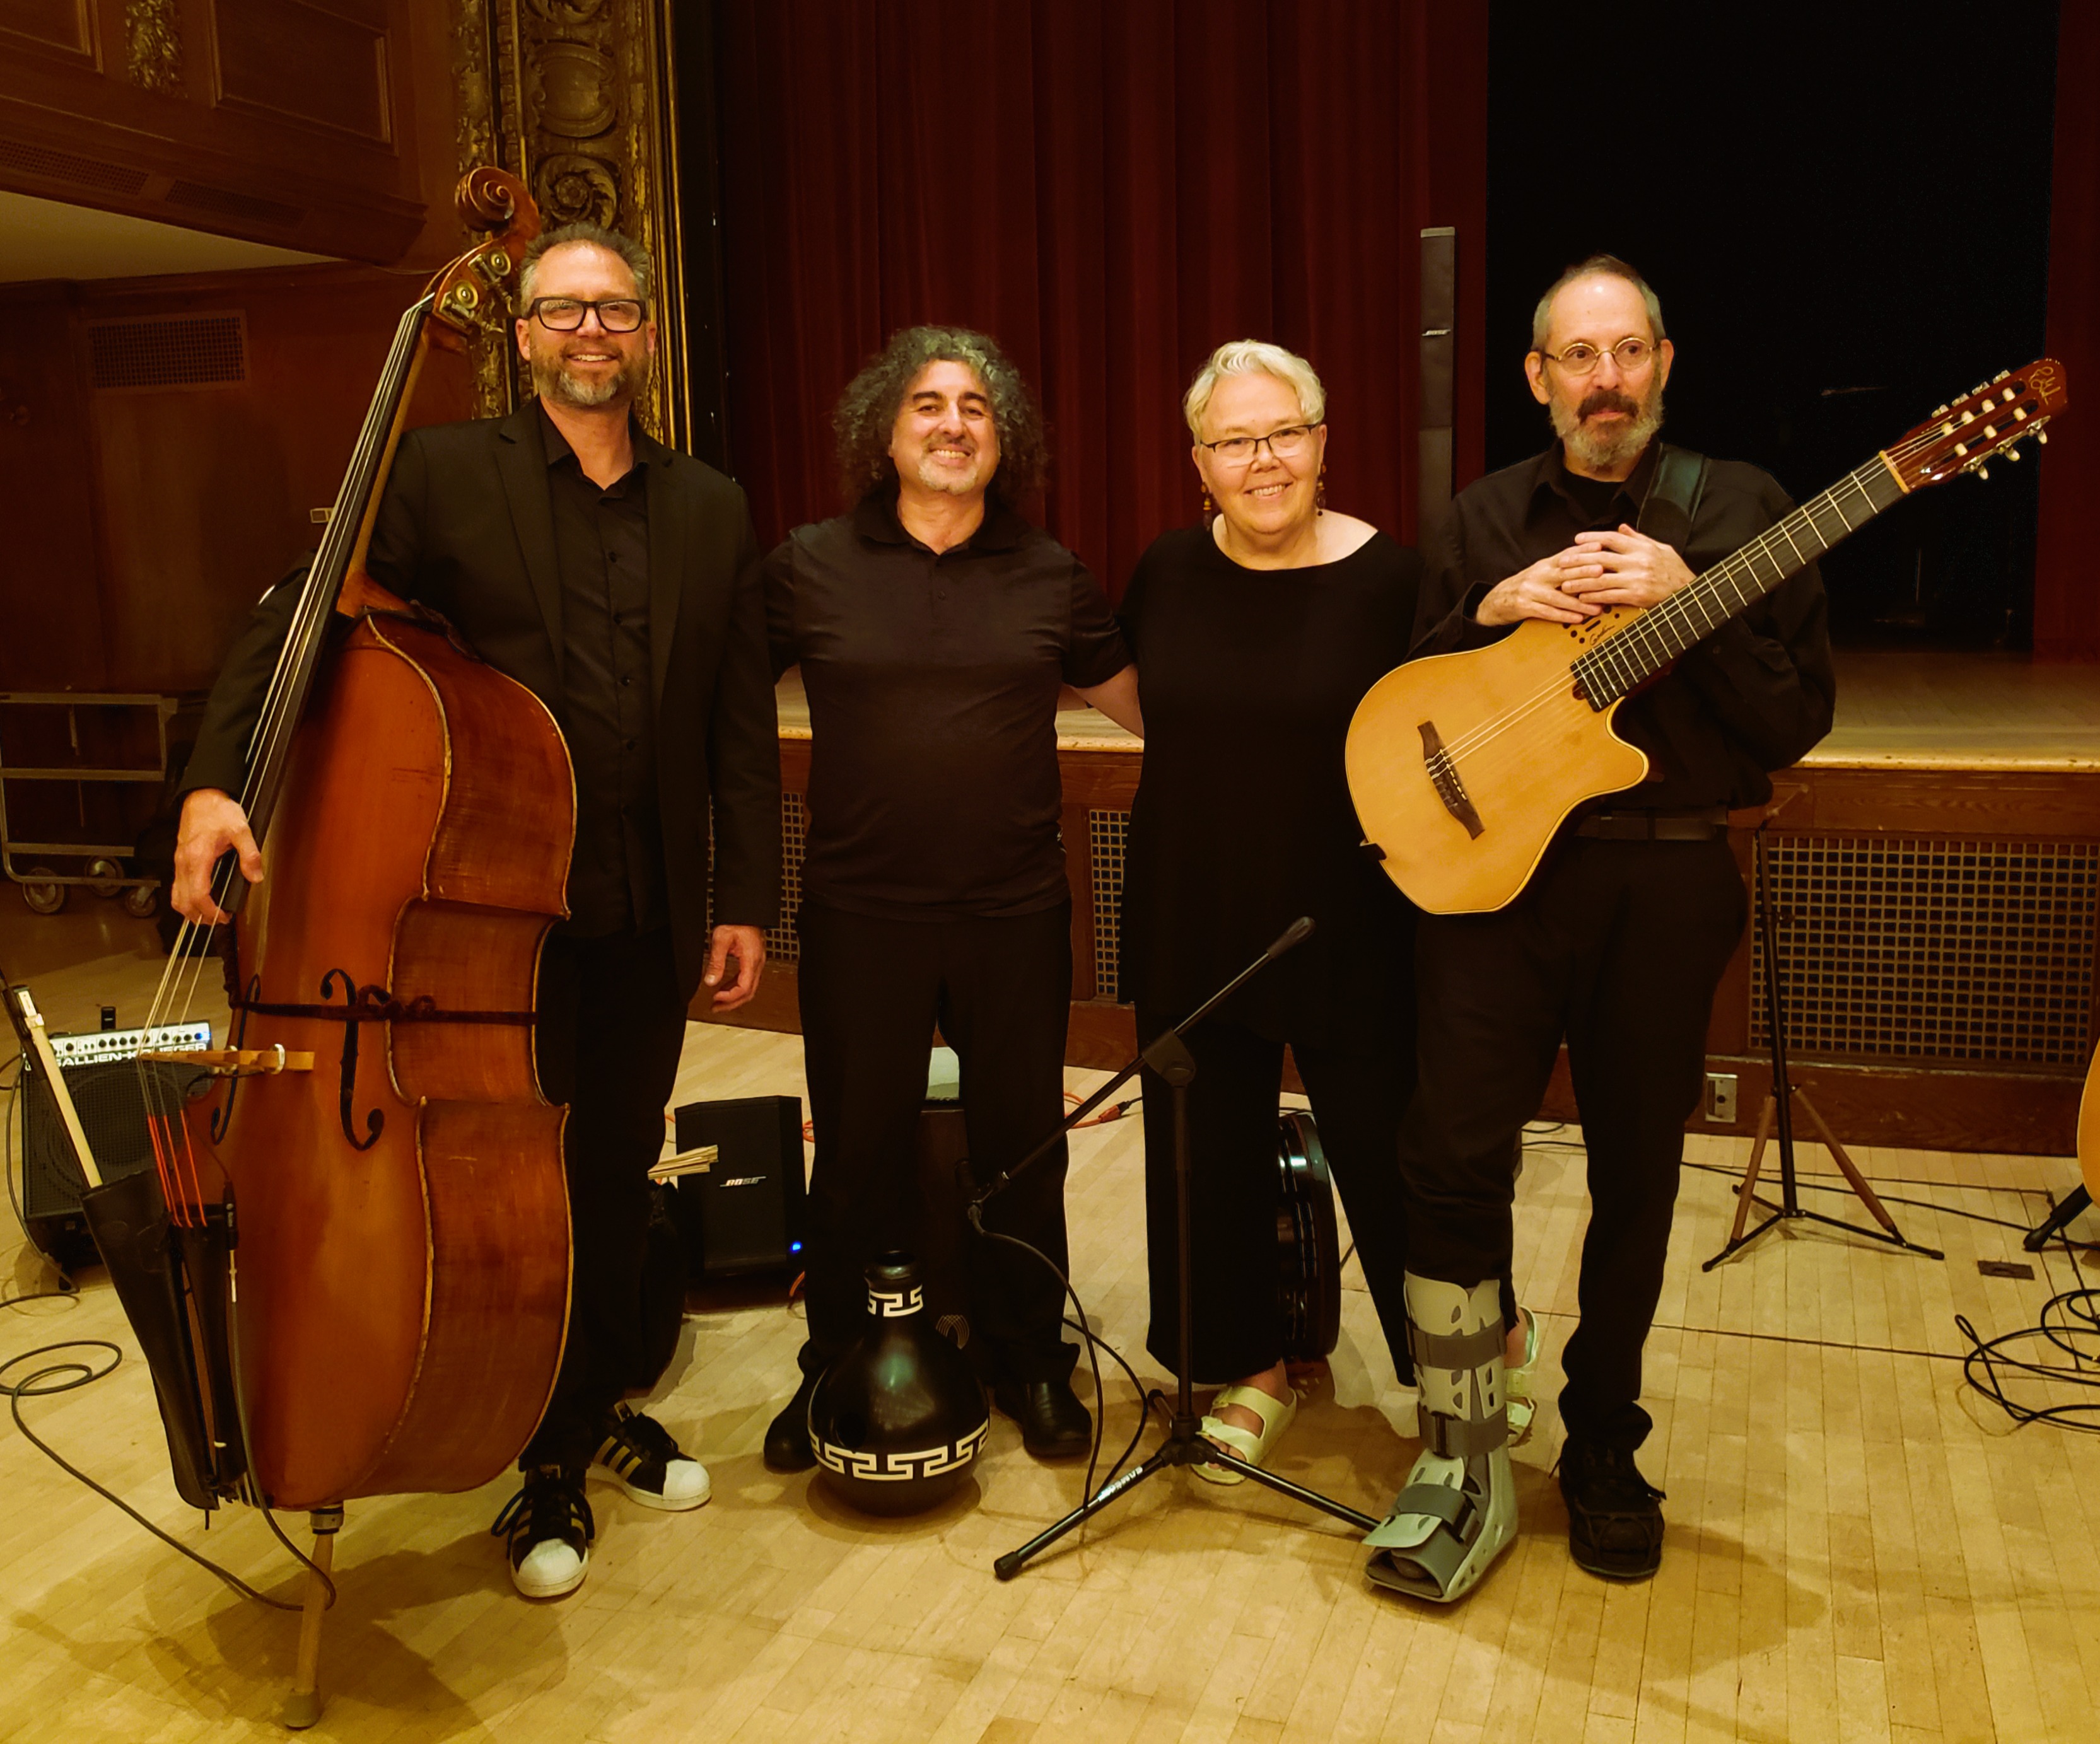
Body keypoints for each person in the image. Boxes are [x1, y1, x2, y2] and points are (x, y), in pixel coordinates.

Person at [170, 222, 781, 1601]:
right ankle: (539, 1451)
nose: (588, 330)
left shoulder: (710, 505)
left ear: (645, 332)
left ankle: (598, 1401)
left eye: (612, 309)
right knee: (509, 1194)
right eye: (561, 309)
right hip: (490, 925)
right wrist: (219, 781)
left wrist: (744, 896)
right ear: (522, 335)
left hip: (646, 910)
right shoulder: (444, 473)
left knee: (612, 1170)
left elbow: (736, 722)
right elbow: (307, 613)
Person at [1365, 255, 1834, 1601]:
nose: (1606, 380)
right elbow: (1411, 687)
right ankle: (1460, 1445)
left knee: (1638, 1171)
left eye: (1628, 351)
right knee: (1449, 1158)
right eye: (1578, 356)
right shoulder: (1483, 516)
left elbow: (1792, 720)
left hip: (1666, 886)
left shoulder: (1740, 510)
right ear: (1539, 377)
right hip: (1495, 889)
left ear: (1664, 363)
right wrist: (1486, 610)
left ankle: (1603, 1443)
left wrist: (1693, 600)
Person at [1119, 339, 1539, 1484]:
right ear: (1198, 463)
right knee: (1203, 1154)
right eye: (1232, 441)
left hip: (1357, 915)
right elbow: (1154, 706)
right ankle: (1246, 1366)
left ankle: (1466, 1354)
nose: (1261, 461)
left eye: (1282, 434)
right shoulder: (1165, 568)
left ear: (1321, 443)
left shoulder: (1396, 579)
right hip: (1196, 906)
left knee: (1395, 1152)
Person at [761, 325, 1141, 1470]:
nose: (952, 422)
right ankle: (839, 1356)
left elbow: (1149, 708)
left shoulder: (1048, 571)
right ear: (883, 435)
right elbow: (715, 701)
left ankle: (1030, 1357)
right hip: (858, 912)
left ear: (1002, 436)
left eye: (975, 406)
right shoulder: (809, 564)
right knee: (857, 1151)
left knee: (1022, 1147)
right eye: (927, 403)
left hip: (1012, 913)